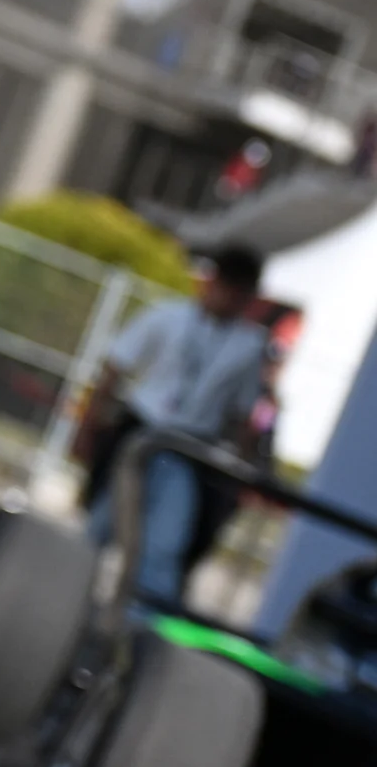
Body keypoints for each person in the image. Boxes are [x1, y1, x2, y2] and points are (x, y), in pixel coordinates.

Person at [82, 246, 273, 608]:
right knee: (103, 522)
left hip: (189, 449)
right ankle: (66, 592)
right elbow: (114, 369)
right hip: (139, 432)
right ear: (211, 282)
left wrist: (238, 471)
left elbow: (242, 414)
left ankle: (145, 631)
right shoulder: (167, 315)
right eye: (227, 287)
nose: (231, 299)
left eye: (240, 293)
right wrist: (90, 424)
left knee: (165, 544)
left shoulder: (249, 345)